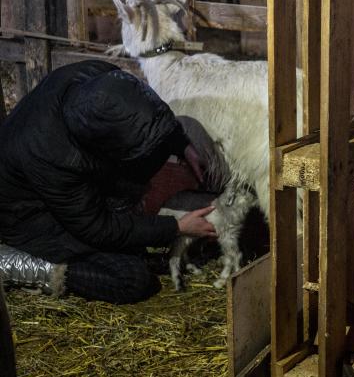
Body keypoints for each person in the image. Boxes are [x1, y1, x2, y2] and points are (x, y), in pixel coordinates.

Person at [0, 61, 216, 304]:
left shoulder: (98, 74)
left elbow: (146, 114)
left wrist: (183, 146)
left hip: (71, 183)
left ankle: (124, 227)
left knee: (154, 149)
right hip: (29, 216)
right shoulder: (53, 157)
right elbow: (97, 228)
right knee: (133, 279)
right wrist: (176, 227)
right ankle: (15, 263)